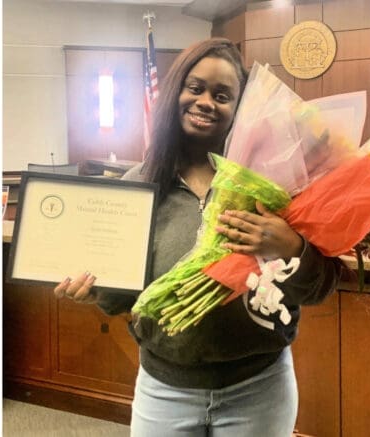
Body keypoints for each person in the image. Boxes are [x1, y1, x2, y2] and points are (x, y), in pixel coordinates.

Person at [54, 37, 342, 437]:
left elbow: (322, 286)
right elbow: (125, 299)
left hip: (258, 388)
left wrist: (291, 247)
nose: (207, 101)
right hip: (165, 391)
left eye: (223, 95)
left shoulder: (275, 186)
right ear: (175, 94)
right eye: (196, 88)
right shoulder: (137, 186)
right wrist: (96, 290)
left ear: (240, 109)